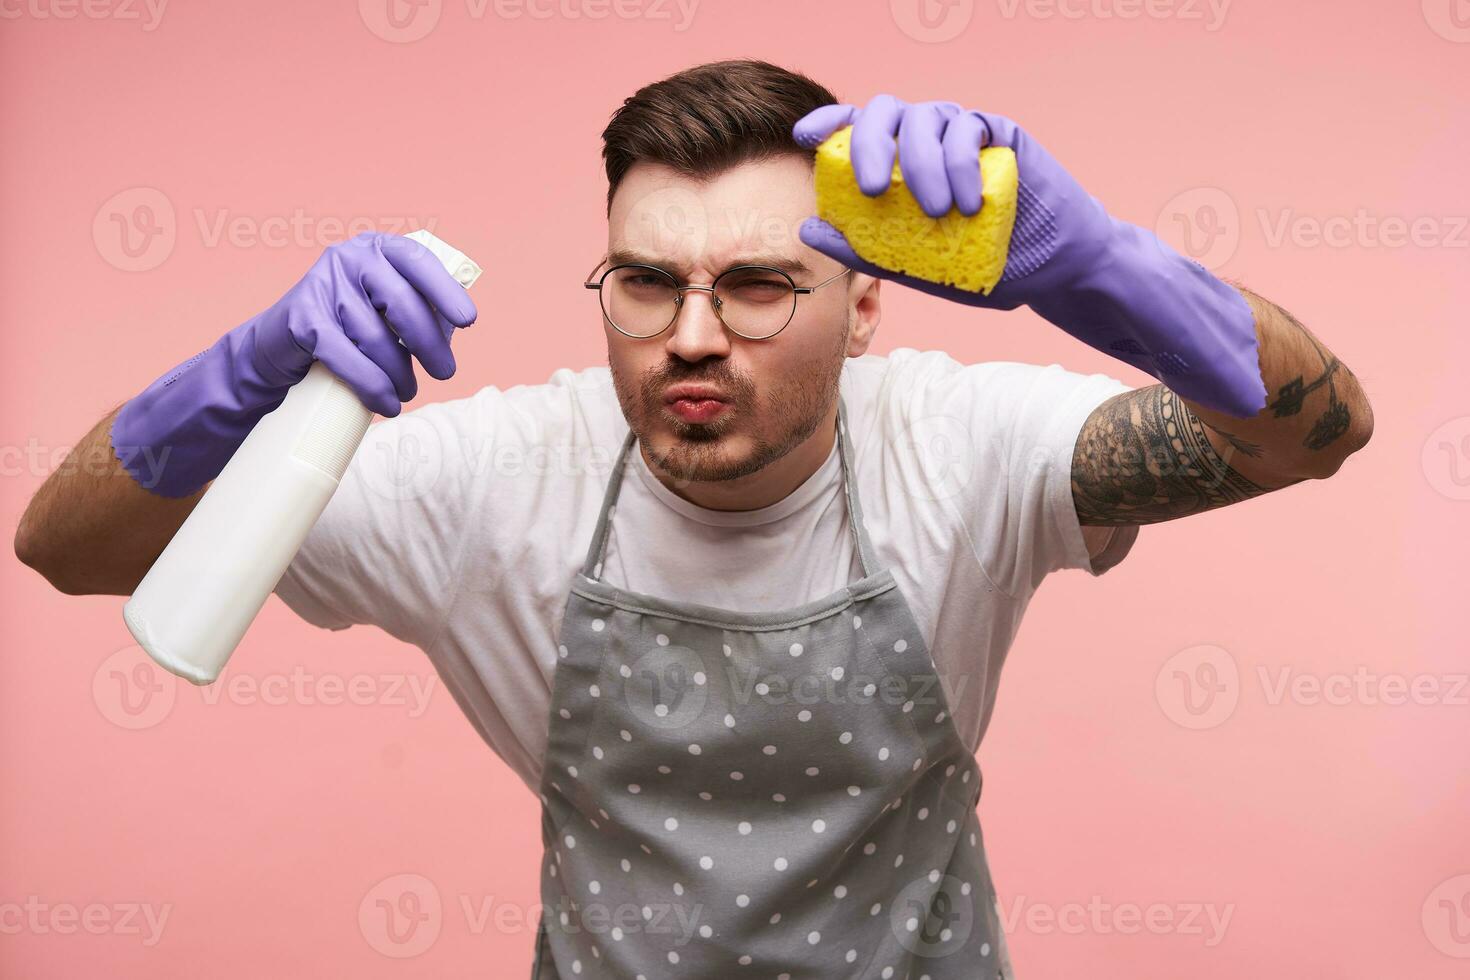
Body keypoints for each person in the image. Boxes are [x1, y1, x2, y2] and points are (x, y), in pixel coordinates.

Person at [16, 59, 1372, 979]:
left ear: (866, 304)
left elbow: (1309, 437)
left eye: (761, 286)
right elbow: (67, 552)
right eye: (645, 281)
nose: (692, 338)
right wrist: (238, 376)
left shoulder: (957, 438)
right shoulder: (491, 478)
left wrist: (1104, 269)